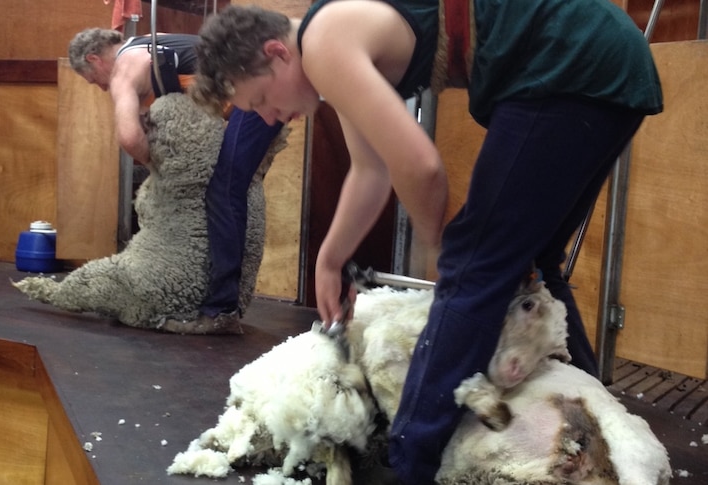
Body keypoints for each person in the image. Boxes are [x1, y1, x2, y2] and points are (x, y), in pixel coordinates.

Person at [192, 2, 662, 482]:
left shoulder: (323, 41)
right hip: (604, 55)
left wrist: (445, 251)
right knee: (530, 262)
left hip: (567, 57)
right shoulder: (328, 38)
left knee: (476, 262)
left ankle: (411, 465)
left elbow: (421, 168)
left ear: (277, 54)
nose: (272, 117)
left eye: (260, 100)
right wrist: (329, 260)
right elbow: (371, 170)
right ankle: (607, 433)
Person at [68, 28, 284, 334]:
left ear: (94, 59)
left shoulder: (123, 69)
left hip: (262, 88)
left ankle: (221, 311)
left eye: (93, 80)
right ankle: (220, 300)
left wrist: (160, 166)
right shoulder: (156, 39)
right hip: (265, 81)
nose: (101, 87)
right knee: (228, 185)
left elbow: (129, 138)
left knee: (224, 191)